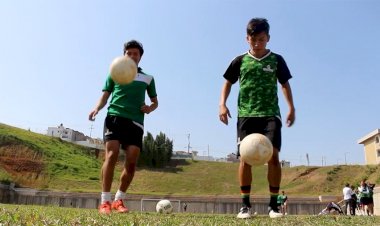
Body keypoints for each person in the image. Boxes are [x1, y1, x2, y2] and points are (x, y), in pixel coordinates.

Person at [218, 18, 295, 219]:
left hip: (270, 114)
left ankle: (274, 206)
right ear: (247, 39)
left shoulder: (277, 59)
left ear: (268, 38)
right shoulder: (240, 60)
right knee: (245, 157)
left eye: (261, 39)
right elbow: (227, 82)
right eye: (253, 40)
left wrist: (291, 108)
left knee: (274, 155)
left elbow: (285, 85)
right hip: (246, 114)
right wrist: (222, 104)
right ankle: (245, 205)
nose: (257, 44)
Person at [89, 40, 158, 214]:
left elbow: (155, 102)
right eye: (129, 53)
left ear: (140, 57)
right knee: (111, 155)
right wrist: (97, 108)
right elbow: (105, 96)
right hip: (115, 117)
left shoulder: (148, 78)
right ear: (124, 55)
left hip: (135, 122)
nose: (132, 56)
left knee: (132, 161)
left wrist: (149, 108)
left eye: (136, 53)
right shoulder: (114, 72)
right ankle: (105, 201)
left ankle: (119, 199)